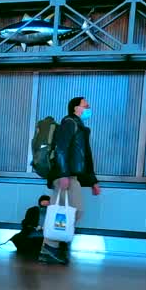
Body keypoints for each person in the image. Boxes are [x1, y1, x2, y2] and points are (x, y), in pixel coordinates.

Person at [41, 95, 101, 265]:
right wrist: (62, 174)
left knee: (69, 212)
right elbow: (61, 149)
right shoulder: (69, 123)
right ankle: (50, 247)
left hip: (71, 176)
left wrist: (93, 181)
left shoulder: (80, 127)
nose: (88, 108)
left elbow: (85, 158)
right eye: (85, 105)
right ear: (75, 108)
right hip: (64, 176)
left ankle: (53, 246)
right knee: (66, 212)